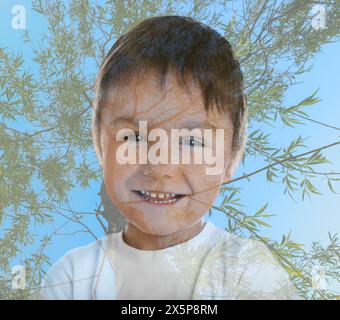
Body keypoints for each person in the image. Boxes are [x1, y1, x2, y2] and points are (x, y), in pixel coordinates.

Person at [39, 15, 300, 300]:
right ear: (100, 142)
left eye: (191, 141)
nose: (160, 166)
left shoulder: (248, 272)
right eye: (134, 137)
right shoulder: (73, 277)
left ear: (231, 157)